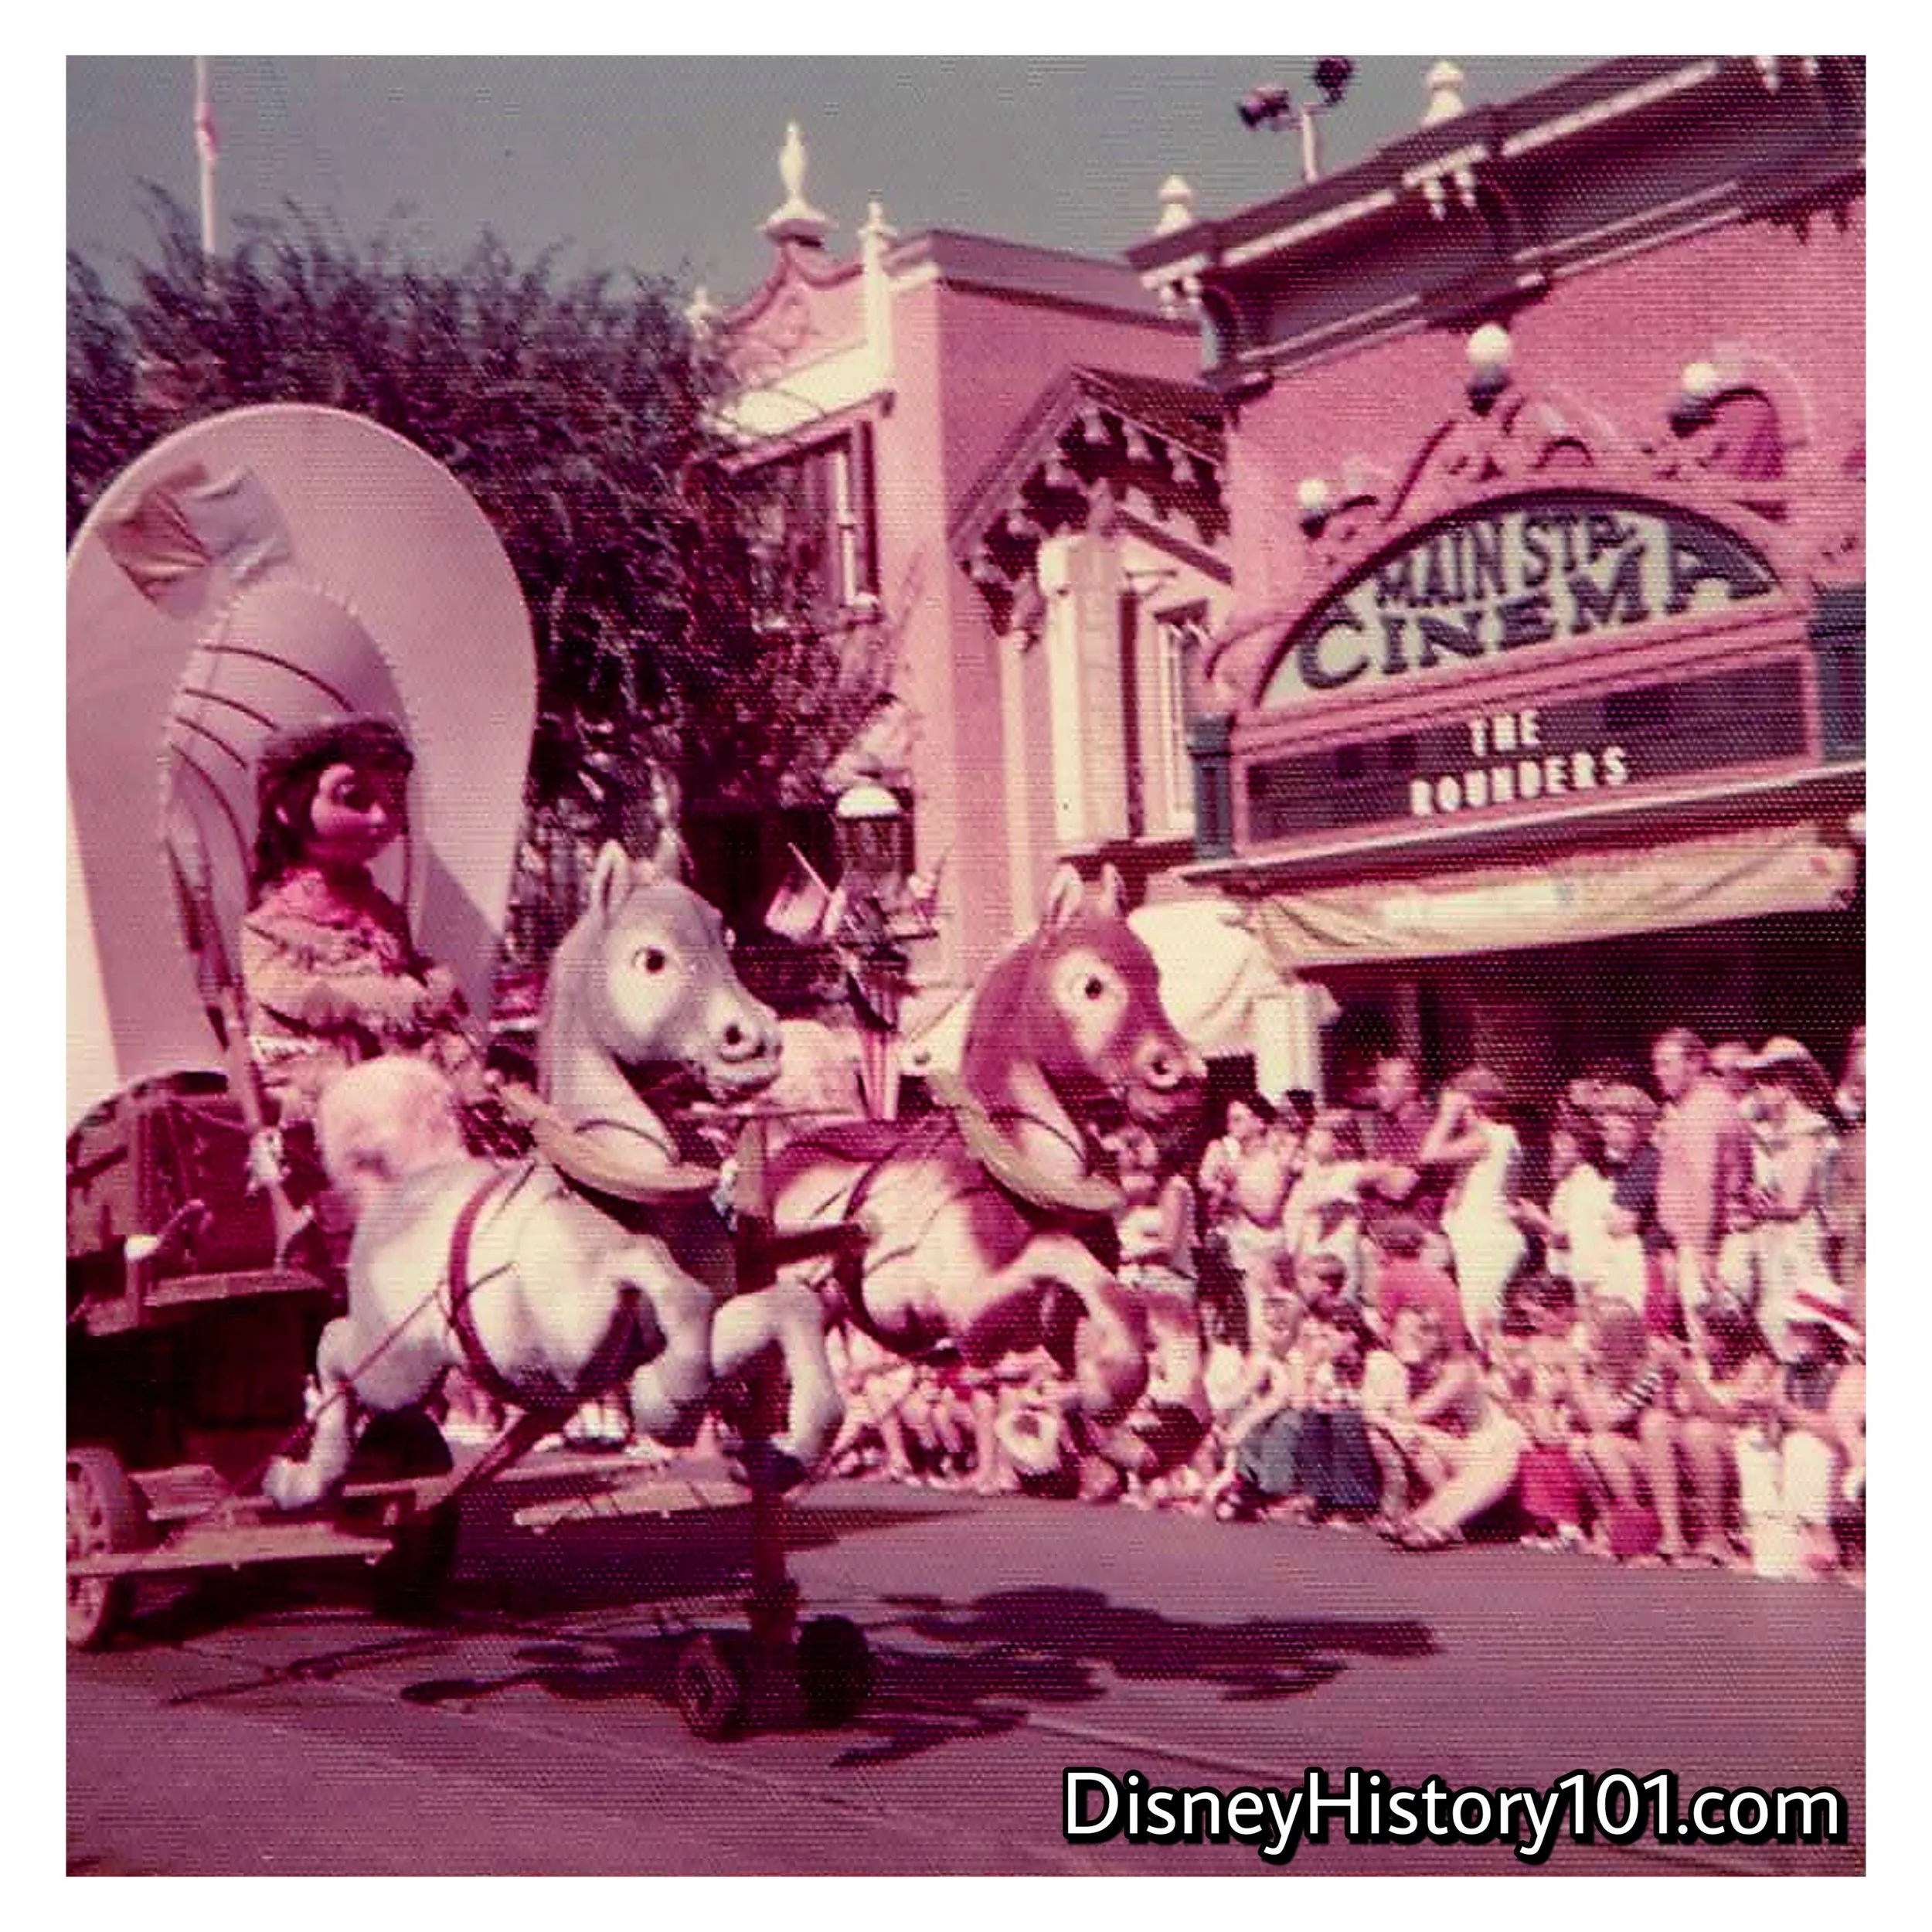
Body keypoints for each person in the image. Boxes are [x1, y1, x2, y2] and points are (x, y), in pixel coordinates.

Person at [240, 715, 488, 1127]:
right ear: (287, 807)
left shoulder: (380, 909)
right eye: (354, 798)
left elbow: (402, 960)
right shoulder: (271, 923)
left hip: (395, 1046)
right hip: (319, 1058)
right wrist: (363, 996)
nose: (379, 819)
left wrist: (428, 977)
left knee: (450, 1069)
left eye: (393, 803)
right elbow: (279, 986)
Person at [1362, 1303, 1527, 1550]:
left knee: (1405, 1430)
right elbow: (1377, 1415)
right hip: (1464, 1454)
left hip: (1497, 1448)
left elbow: (1409, 1416)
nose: (1402, 1340)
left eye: (1416, 1333)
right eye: (1401, 1333)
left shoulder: (1459, 1369)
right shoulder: (1405, 1370)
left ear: (1435, 1336)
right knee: (1398, 1433)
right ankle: (1433, 1521)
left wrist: (1394, 1390)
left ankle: (1434, 1521)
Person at [1737, 1038, 1841, 1362]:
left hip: (1800, 1242)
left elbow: (1794, 1203)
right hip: (1778, 1240)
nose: (1759, 1090)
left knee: (1799, 1321)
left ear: (1788, 1084)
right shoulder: (1778, 1132)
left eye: (1768, 1081)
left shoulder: (1808, 1130)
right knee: (1773, 1318)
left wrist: (1753, 1208)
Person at [1417, 1066, 1527, 1352]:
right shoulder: (1498, 1138)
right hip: (1484, 1240)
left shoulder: (1489, 1136)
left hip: (1486, 1243)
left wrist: (1447, 1115)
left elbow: (1428, 1154)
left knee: (1484, 1326)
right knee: (1485, 1322)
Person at [1651, 1027, 1753, 1330]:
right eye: (1657, 1064)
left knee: (1716, 1353)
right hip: (1706, 1244)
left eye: (1666, 1063)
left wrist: (1705, 1253)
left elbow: (1703, 1184)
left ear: (1694, 1062)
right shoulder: (1705, 1105)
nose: (1658, 1073)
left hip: (1712, 1248)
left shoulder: (1702, 1109)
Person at [1198, 1093, 1296, 1352]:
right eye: (1230, 1119)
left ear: (1260, 1123)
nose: (1232, 1124)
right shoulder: (1234, 1160)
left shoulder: (1271, 1162)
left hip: (1264, 1256)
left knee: (1268, 1335)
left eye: (1239, 1118)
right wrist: (1211, 1185)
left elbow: (1266, 1212)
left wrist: (1232, 1185)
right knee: (1245, 1335)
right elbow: (1216, 1211)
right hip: (1238, 1257)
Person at [1511, 1107, 1615, 1301]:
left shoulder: (1585, 1180)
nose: (1555, 1147)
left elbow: (1573, 1237)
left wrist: (1537, 1218)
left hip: (1584, 1281)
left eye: (1564, 1142)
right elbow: (1557, 1236)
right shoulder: (1567, 1183)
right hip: (1565, 1277)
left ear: (1581, 1150)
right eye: (1556, 1139)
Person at [1592, 1083, 1664, 1322]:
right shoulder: (1622, 1166)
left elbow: (1622, 1224)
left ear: (1640, 1127)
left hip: (1649, 1262)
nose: (1610, 1134)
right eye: (1606, 1128)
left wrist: (1597, 1218)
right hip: (1630, 1263)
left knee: (1646, 1331)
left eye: (1621, 1127)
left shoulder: (1647, 1161)